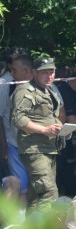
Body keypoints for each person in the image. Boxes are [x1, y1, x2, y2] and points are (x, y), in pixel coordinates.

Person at [12, 57, 65, 210]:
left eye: (52, 72)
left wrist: (62, 128)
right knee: (49, 193)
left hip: (48, 148)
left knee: (37, 196)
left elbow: (52, 116)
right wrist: (45, 130)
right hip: (34, 149)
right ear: (34, 72)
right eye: (44, 73)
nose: (49, 76)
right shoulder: (25, 90)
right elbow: (18, 118)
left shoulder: (50, 90)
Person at [0, 51, 32, 205]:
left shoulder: (44, 84)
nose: (12, 72)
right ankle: (16, 225)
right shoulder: (5, 83)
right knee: (18, 186)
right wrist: (4, 146)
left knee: (36, 188)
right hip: (13, 144)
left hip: (36, 145)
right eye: (11, 68)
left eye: (15, 69)